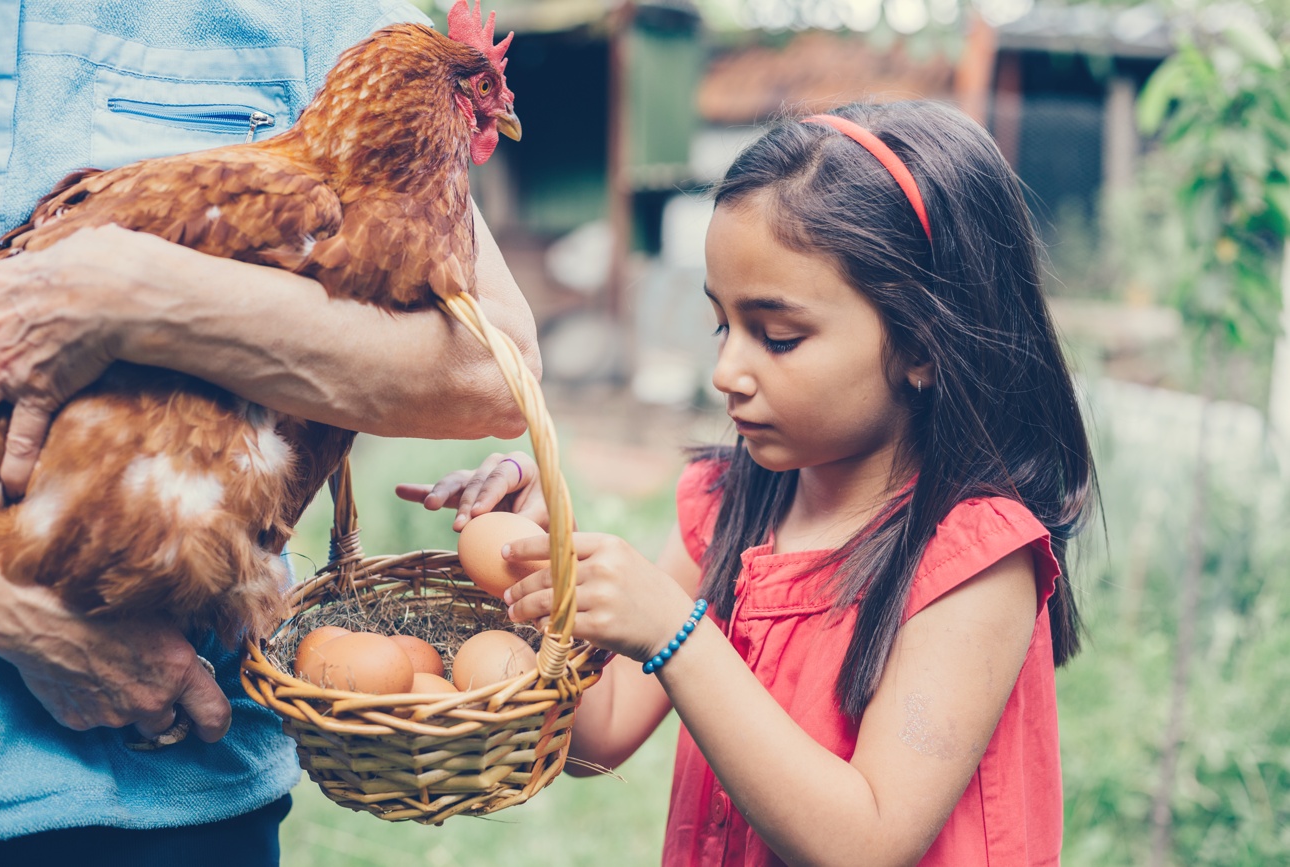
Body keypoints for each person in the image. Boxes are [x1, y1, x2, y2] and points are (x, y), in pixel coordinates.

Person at [403, 100, 1097, 865]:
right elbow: (598, 735)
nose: (727, 371)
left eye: (778, 336)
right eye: (722, 326)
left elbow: (866, 842)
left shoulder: (974, 559)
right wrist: (542, 557)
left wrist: (677, 632)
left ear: (922, 345)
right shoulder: (732, 504)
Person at [0, 0, 538, 862]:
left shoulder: (335, 21)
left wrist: (125, 296)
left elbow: (494, 371)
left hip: (184, 783)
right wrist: (10, 612)